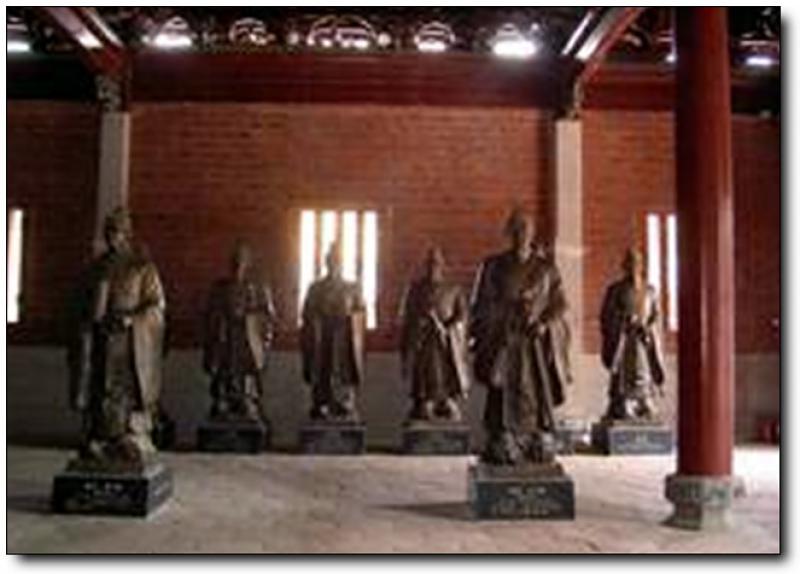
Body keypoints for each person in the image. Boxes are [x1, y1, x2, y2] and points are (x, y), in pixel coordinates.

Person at [470, 208, 572, 465]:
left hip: (533, 343)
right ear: (508, 233)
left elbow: (560, 303)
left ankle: (534, 433)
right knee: (502, 389)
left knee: (533, 389)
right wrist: (505, 314)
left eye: (526, 228)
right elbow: (481, 303)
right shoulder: (493, 266)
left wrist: (543, 323)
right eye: (516, 229)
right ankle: (503, 434)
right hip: (505, 341)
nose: (521, 234)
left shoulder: (546, 268)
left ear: (533, 232)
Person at [67, 208, 165, 471]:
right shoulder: (96, 268)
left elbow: (156, 305)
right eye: (108, 232)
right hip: (100, 338)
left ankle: (123, 435)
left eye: (116, 232)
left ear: (127, 234)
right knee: (100, 387)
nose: (111, 237)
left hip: (128, 341)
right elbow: (79, 304)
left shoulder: (141, 268)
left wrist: (132, 319)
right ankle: (99, 436)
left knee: (123, 391)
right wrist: (87, 321)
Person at [203, 240, 276, 421]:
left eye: (242, 259)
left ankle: (247, 398)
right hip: (226, 336)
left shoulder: (258, 288)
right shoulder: (220, 288)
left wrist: (249, 317)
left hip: (247, 336)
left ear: (249, 262)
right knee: (225, 367)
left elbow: (268, 316)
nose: (238, 264)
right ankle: (224, 398)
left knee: (246, 370)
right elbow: (210, 313)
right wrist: (222, 318)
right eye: (235, 259)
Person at [399, 247, 470, 422]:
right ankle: (425, 400)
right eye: (430, 263)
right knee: (425, 373)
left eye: (437, 263)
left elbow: (462, 317)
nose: (433, 267)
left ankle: (446, 400)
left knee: (446, 371)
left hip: (446, 345)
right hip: (424, 342)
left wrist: (448, 329)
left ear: (443, 265)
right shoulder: (415, 289)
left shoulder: (453, 289)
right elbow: (407, 316)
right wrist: (419, 325)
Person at [300, 242, 366, 422]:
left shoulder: (352, 288)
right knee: (323, 368)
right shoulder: (316, 288)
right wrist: (319, 318)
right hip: (323, 337)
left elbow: (360, 312)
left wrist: (349, 316)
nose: (334, 264)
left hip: (344, 337)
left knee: (343, 370)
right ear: (326, 263)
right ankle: (322, 402)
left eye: (337, 260)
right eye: (331, 260)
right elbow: (306, 313)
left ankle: (344, 402)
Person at [600, 248, 665, 421]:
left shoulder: (650, 291)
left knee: (644, 370)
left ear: (642, 266)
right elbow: (607, 316)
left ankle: (645, 399)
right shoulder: (615, 290)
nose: (634, 266)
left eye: (637, 262)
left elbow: (656, 317)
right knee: (624, 372)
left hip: (643, 341)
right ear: (624, 266)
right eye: (630, 262)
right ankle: (622, 401)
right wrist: (623, 320)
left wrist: (648, 328)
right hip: (624, 340)